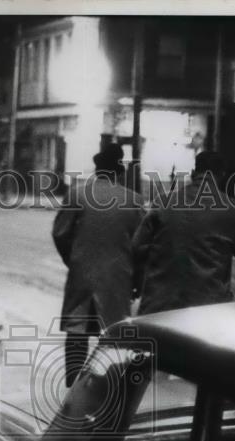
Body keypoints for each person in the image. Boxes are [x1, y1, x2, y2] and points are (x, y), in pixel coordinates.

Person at [52, 143, 144, 386]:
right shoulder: (134, 201)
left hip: (83, 274)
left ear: (96, 168)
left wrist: (73, 260)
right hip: (118, 278)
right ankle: (110, 387)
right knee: (115, 334)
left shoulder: (78, 193)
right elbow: (142, 246)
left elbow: (60, 233)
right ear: (120, 171)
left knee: (77, 331)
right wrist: (137, 280)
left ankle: (73, 387)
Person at [132, 150, 235, 316]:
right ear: (221, 175)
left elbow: (137, 246)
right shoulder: (234, 210)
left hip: (159, 309)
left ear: (194, 173)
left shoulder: (163, 202)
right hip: (207, 313)